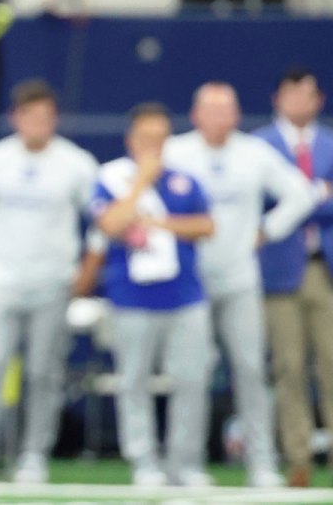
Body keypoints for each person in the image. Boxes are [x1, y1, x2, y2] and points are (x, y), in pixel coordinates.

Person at [163, 82, 312, 488]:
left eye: (227, 109)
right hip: (190, 283)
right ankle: (186, 463)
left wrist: (267, 229)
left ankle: (261, 463)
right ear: (196, 115)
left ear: (236, 114)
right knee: (191, 372)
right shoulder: (176, 152)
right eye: (211, 109)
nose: (219, 118)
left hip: (241, 279)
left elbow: (301, 194)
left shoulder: (253, 153)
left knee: (249, 370)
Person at [0, 79, 100, 483]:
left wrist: (87, 271)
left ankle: (34, 455)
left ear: (54, 119)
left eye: (45, 117)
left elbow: (101, 219)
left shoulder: (77, 163)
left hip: (53, 285)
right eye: (30, 116)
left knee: (43, 374)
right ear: (17, 118)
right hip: (2, 283)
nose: (38, 124)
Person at [92, 102, 215, 487]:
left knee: (192, 380)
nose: (154, 146)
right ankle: (143, 461)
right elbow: (111, 223)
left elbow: (207, 224)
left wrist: (158, 221)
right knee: (134, 382)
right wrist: (141, 182)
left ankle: (185, 462)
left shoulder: (184, 180)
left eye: (161, 138)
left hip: (185, 295)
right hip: (131, 298)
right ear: (131, 140)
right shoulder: (111, 179)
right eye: (147, 138)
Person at [254, 68, 333, 487]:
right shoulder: (258, 147)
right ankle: (298, 456)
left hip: (324, 266)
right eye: (291, 94)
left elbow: (292, 205)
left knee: (332, 362)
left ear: (318, 101)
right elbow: (261, 203)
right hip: (280, 269)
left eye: (307, 95)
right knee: (288, 366)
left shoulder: (330, 143)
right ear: (277, 98)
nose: (299, 102)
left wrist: (301, 201)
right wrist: (318, 193)